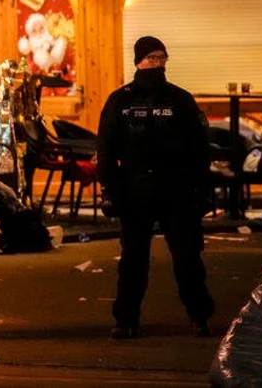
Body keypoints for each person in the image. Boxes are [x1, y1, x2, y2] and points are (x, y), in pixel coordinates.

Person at [96, 35, 215, 340]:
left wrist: (202, 189)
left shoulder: (180, 100)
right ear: (138, 61)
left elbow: (200, 149)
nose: (157, 65)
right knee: (133, 259)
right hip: (135, 188)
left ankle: (199, 316)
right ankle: (126, 319)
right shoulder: (120, 101)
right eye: (151, 58)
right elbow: (107, 149)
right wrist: (109, 189)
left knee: (187, 257)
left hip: (177, 187)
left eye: (162, 59)